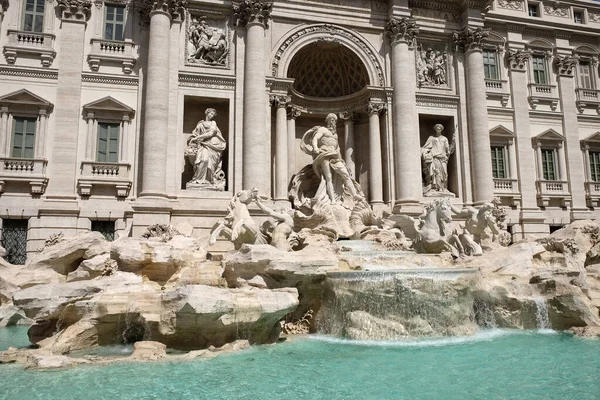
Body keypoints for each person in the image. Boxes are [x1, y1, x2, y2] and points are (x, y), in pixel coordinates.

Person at [300, 113, 358, 203]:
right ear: (327, 121)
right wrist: (315, 148)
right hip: (324, 154)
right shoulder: (322, 130)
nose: (333, 122)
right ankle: (332, 200)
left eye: (334, 120)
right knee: (328, 177)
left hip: (335, 156)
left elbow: (337, 148)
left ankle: (354, 195)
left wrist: (342, 160)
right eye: (331, 119)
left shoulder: (335, 135)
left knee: (345, 174)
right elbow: (315, 139)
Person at [186, 108, 226, 186]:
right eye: (211, 113)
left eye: (213, 114)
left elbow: (211, 133)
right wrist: (193, 140)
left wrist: (198, 137)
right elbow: (194, 134)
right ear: (206, 113)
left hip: (212, 145)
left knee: (209, 163)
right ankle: (198, 179)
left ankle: (208, 180)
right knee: (204, 160)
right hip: (202, 145)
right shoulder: (200, 124)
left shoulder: (213, 123)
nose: (212, 116)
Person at [421, 124, 455, 194]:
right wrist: (424, 152)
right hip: (435, 157)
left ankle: (444, 188)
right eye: (437, 128)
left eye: (439, 128)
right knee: (436, 173)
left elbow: (448, 150)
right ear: (435, 129)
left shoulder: (444, 138)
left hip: (443, 158)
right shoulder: (432, 138)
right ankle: (437, 188)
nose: (438, 129)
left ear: (441, 129)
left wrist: (453, 142)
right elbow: (426, 147)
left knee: (445, 173)